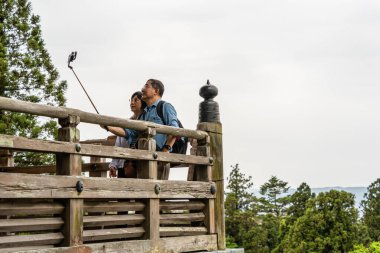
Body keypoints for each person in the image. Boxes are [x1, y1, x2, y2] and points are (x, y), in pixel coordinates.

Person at [106, 91, 146, 178]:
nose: (132, 103)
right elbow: (118, 146)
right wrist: (113, 165)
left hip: (139, 165)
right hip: (123, 166)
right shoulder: (125, 123)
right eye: (131, 100)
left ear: (142, 102)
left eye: (136, 100)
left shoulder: (146, 120)